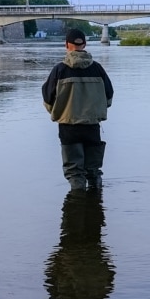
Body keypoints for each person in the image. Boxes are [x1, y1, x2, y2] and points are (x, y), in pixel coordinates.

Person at [42, 28, 113, 190]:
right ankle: (96, 202)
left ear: (66, 45)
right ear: (84, 45)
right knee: (93, 171)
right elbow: (109, 96)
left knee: (74, 173)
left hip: (68, 127)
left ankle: (77, 202)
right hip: (92, 126)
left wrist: (59, 112)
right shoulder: (97, 69)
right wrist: (96, 111)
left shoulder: (59, 69)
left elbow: (48, 98)